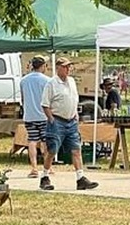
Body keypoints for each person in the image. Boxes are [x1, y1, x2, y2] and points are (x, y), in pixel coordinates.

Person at [38, 57, 99, 191]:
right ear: (58, 67)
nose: (68, 69)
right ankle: (44, 176)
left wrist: (75, 114)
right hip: (57, 120)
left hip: (71, 121)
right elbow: (45, 104)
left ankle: (80, 178)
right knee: (52, 150)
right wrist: (51, 119)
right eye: (65, 67)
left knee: (76, 149)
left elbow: (74, 99)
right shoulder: (51, 83)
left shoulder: (71, 81)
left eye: (69, 66)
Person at [21, 56, 51, 178]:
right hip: (43, 115)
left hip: (29, 115)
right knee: (45, 141)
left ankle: (34, 167)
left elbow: (23, 99)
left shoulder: (24, 80)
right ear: (43, 66)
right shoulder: (47, 80)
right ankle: (47, 167)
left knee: (32, 141)